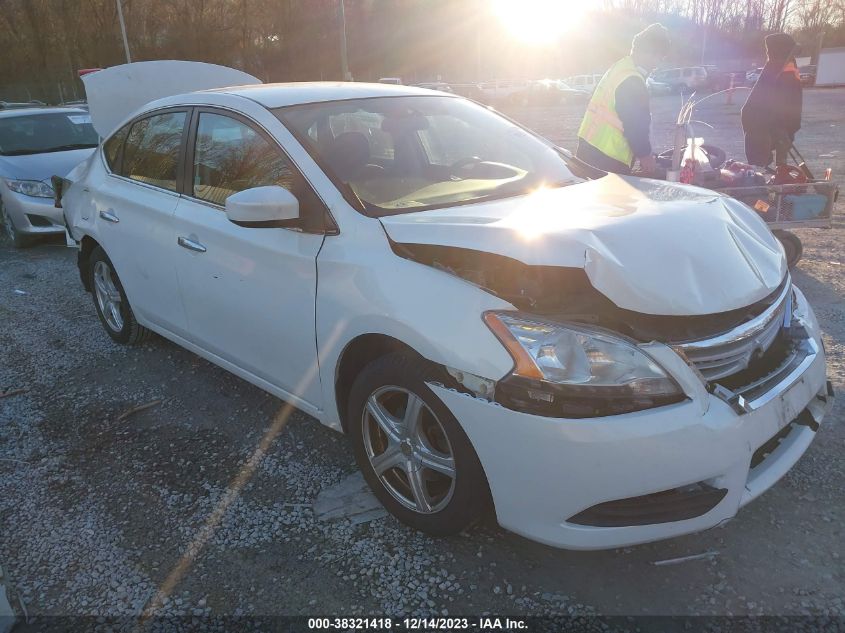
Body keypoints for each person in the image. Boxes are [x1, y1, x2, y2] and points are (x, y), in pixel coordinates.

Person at [575, 23, 670, 175]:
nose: (657, 64)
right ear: (649, 53)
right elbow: (635, 124)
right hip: (608, 160)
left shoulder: (619, 68)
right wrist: (645, 156)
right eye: (659, 57)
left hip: (588, 149)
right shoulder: (632, 80)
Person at [741, 33, 803, 168]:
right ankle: (778, 171)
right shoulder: (779, 66)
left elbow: (786, 96)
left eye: (769, 51)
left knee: (780, 142)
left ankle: (780, 172)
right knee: (779, 141)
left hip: (778, 121)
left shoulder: (780, 66)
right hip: (775, 121)